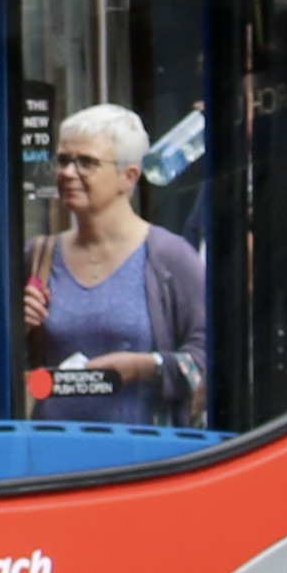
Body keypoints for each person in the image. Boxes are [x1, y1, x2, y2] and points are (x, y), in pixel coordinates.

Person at [29, 104, 210, 426]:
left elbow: (210, 354)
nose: (68, 173)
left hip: (142, 458)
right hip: (51, 453)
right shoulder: (40, 255)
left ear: (128, 177)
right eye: (63, 160)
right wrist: (19, 321)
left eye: (86, 162)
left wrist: (145, 366)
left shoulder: (171, 258)